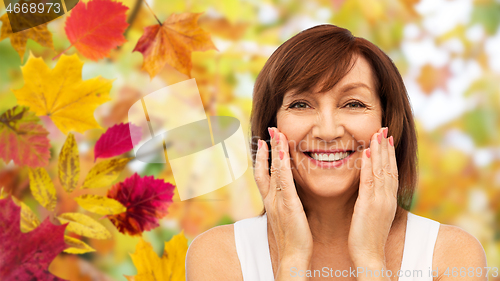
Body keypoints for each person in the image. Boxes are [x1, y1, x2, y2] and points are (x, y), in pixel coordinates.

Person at [186, 24, 487, 280]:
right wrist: (292, 260)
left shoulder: (450, 254)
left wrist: (370, 261)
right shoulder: (219, 256)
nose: (328, 131)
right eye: (300, 104)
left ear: (387, 123)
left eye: (353, 104)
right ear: (270, 127)